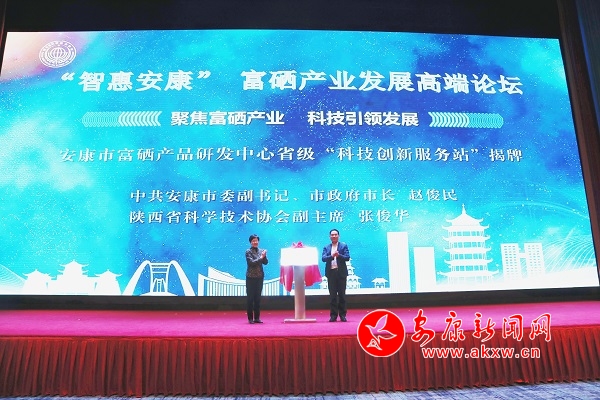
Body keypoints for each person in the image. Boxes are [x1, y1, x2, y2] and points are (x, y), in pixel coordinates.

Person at [322, 228, 350, 322]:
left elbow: (347, 257)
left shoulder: (343, 246)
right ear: (329, 236)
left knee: (342, 295)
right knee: (332, 296)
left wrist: (339, 256)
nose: (334, 236)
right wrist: (332, 256)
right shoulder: (326, 247)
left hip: (341, 273)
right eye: (332, 235)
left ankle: (342, 315)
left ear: (338, 236)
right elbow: (323, 258)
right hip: (331, 273)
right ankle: (333, 315)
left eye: (335, 234)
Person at [245, 234, 268, 324]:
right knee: (250, 298)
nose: (255, 242)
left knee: (258, 298)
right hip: (250, 277)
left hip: (259, 277)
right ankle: (250, 318)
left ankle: (257, 318)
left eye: (256, 240)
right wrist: (261, 257)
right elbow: (251, 263)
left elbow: (265, 262)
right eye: (253, 241)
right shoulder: (248, 251)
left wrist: (264, 256)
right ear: (250, 242)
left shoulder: (261, 251)